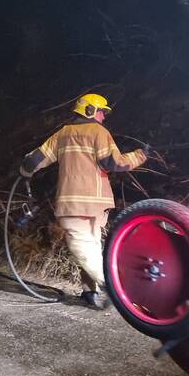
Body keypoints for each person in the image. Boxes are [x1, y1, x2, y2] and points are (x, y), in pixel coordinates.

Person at [20, 93, 146, 309]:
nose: (103, 117)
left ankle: (112, 287)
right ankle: (90, 291)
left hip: (73, 203)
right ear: (89, 110)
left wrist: (25, 169)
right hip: (98, 204)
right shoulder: (99, 132)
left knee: (81, 246)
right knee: (91, 247)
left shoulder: (63, 134)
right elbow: (115, 163)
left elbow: (35, 160)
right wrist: (141, 155)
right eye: (101, 112)